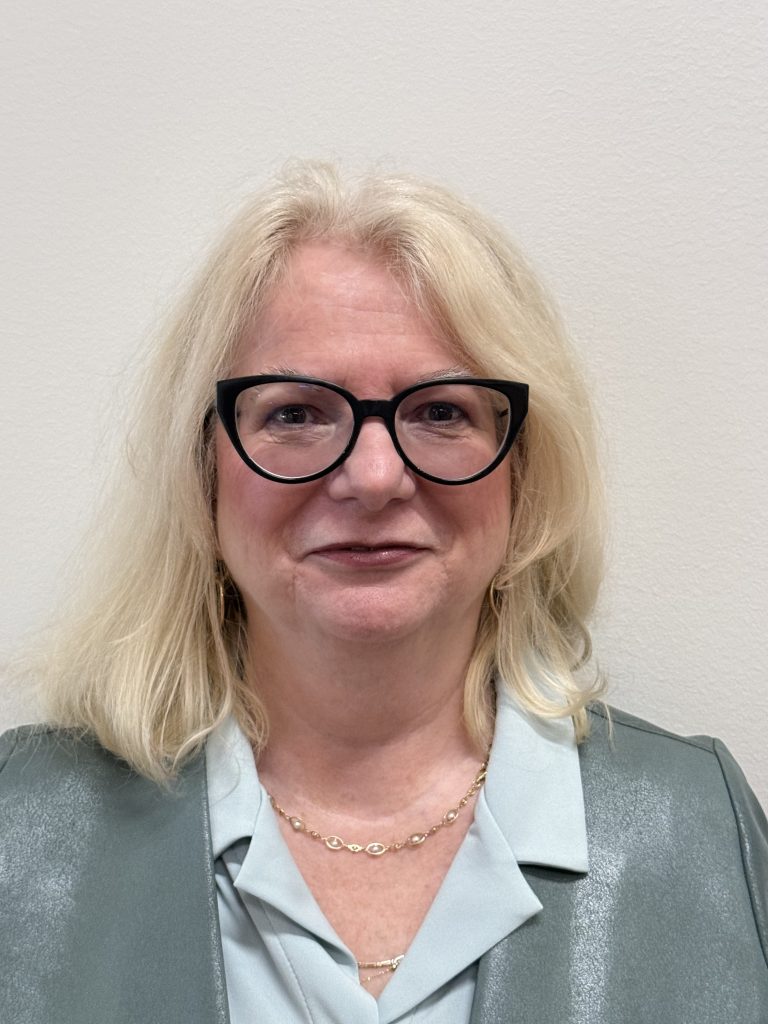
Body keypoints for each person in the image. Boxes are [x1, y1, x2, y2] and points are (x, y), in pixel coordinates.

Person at [1, 162, 766, 1024]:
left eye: (441, 412)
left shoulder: (698, 828)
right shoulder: (20, 829)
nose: (373, 477)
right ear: (202, 470)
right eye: (294, 413)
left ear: (523, 470)